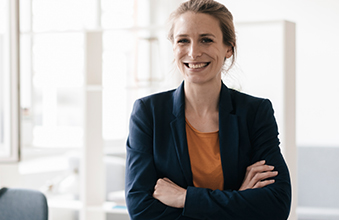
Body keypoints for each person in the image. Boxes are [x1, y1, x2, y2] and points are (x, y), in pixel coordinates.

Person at [124, 0, 292, 219]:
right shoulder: (148, 113)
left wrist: (185, 198)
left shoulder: (255, 112)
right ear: (174, 47)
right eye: (183, 40)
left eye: (206, 40)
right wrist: (238, 198)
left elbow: (276, 205)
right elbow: (141, 210)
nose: (193, 53)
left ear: (228, 48)